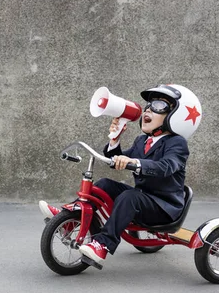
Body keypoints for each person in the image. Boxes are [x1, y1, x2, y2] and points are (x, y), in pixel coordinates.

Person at [39, 84, 202, 269]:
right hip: (143, 199)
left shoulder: (177, 143)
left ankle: (103, 244)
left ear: (176, 116)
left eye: (158, 105)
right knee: (104, 184)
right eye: (148, 105)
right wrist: (114, 140)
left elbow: (166, 166)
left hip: (163, 207)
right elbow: (116, 158)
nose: (148, 109)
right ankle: (68, 218)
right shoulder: (142, 141)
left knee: (129, 197)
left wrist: (136, 163)